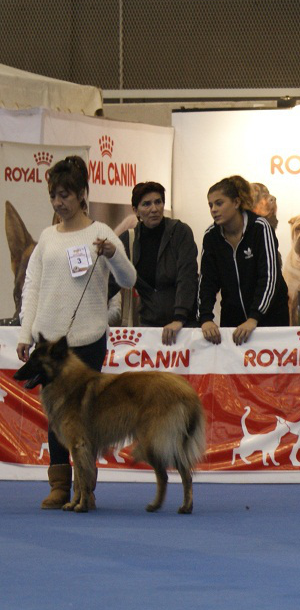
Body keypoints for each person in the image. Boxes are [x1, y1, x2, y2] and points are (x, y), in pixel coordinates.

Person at [16, 156, 136, 509]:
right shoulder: (46, 237)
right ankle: (58, 486)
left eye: (65, 195)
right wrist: (25, 334)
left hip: (86, 343)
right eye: (54, 195)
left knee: (86, 420)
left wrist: (114, 254)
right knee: (55, 418)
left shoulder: (101, 234)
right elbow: (32, 288)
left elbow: (128, 279)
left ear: (83, 193)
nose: (58, 202)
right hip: (47, 345)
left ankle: (86, 487)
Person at [198, 175, 289, 345]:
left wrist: (254, 318)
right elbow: (207, 281)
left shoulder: (261, 228)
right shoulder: (211, 236)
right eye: (210, 205)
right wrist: (205, 318)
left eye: (219, 203)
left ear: (236, 202)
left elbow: (270, 277)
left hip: (269, 319)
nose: (213, 210)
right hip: (232, 321)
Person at [119, 181, 199, 344]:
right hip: (149, 327)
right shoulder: (128, 239)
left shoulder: (180, 232)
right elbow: (113, 281)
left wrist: (179, 318)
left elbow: (187, 277)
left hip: (184, 326)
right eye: (146, 204)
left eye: (158, 202)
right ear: (135, 210)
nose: (154, 209)